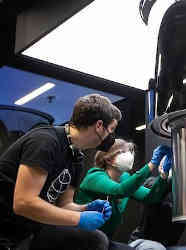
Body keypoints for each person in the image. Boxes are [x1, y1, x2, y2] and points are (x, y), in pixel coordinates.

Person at [0, 94, 123, 250]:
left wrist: (85, 208)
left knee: (101, 241)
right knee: (95, 241)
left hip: (27, 230)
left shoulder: (76, 157)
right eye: (111, 130)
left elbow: (64, 205)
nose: (111, 137)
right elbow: (24, 203)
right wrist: (79, 218)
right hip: (5, 229)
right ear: (99, 125)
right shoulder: (46, 141)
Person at [74, 138, 172, 249]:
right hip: (81, 240)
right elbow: (119, 190)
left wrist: (163, 175)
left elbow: (150, 197)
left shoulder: (124, 178)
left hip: (104, 241)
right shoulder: (94, 177)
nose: (129, 155)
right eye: (122, 152)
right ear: (108, 159)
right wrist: (152, 164)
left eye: (130, 151)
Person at [128, 156, 186, 250]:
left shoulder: (184, 191)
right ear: (160, 167)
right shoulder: (151, 183)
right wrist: (165, 177)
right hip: (144, 242)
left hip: (168, 245)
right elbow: (154, 193)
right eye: (170, 166)